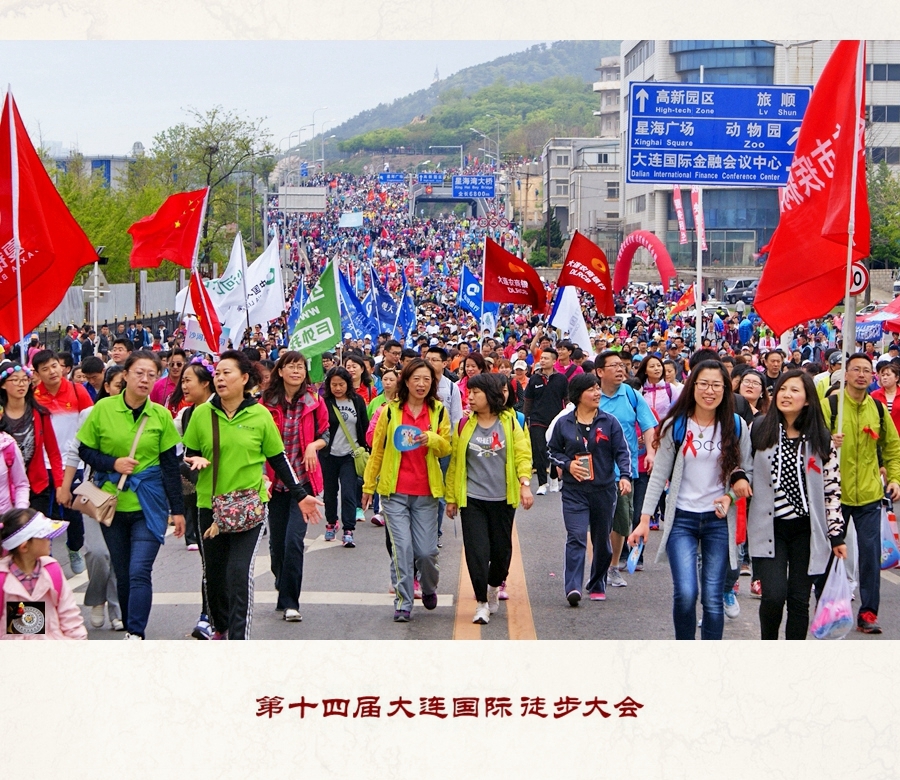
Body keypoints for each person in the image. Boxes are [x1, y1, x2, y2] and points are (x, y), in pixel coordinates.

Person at [182, 350, 323, 640]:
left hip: (249, 507)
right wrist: (193, 467)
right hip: (210, 509)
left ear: (245, 379)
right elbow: (187, 458)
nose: (220, 378)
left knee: (238, 572)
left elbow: (278, 459)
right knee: (215, 577)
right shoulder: (201, 414)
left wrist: (300, 495)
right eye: (217, 373)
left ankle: (239, 640)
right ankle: (219, 626)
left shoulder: (259, 415)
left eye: (227, 373)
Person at [629, 360, 752, 640]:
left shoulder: (736, 425)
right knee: (686, 593)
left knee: (711, 597)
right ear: (692, 386)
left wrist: (731, 495)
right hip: (681, 519)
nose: (710, 391)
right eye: (704, 384)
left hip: (718, 521)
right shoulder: (677, 424)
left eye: (717, 385)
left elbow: (748, 472)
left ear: (726, 388)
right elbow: (659, 474)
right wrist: (645, 519)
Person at [75, 350, 186, 640]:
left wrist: (178, 510)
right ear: (125, 374)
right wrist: (113, 463)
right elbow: (84, 449)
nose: (145, 379)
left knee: (139, 571)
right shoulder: (103, 409)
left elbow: (170, 466)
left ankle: (135, 633)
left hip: (150, 504)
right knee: (123, 574)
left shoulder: (160, 415)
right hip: (111, 504)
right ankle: (128, 621)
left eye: (152, 374)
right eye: (139, 373)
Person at [748, 370, 845, 639]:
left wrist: (836, 534)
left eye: (794, 390)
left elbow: (832, 489)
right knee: (773, 596)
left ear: (807, 400)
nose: (787, 395)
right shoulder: (759, 429)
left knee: (799, 600)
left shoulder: (821, 438)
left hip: (808, 530)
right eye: (782, 389)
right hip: (769, 528)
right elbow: (743, 468)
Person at [362, 358, 451, 622]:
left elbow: (447, 447)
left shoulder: (438, 411)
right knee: (402, 549)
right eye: (416, 379)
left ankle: (429, 587)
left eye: (427, 380)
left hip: (426, 493)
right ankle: (403, 602)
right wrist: (369, 486)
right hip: (394, 493)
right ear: (406, 381)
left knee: (426, 551)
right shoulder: (390, 411)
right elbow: (377, 450)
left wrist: (431, 438)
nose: (421, 384)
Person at [445, 373, 533, 624]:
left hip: (503, 499)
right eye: (469, 393)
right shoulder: (464, 425)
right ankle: (481, 602)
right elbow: (455, 464)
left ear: (491, 395)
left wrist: (524, 484)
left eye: (476, 393)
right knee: (477, 551)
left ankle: (494, 585)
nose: (470, 397)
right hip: (472, 499)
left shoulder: (510, 422)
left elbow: (522, 455)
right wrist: (451, 498)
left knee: (501, 553)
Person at [822, 353, 900, 634]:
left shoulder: (878, 410)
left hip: (868, 494)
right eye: (856, 369)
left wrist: (895, 479)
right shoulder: (830, 406)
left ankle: (868, 613)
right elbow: (808, 442)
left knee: (870, 555)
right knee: (832, 553)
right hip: (834, 495)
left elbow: (893, 447)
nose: (862, 375)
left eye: (867, 371)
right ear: (846, 373)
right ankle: (831, 607)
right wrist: (828, 440)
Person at [548, 373, 632, 605]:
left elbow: (622, 452)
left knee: (601, 540)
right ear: (577, 395)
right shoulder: (563, 423)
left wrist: (624, 476)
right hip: (574, 491)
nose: (597, 393)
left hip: (604, 491)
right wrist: (567, 464)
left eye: (597, 389)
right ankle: (573, 587)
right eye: (591, 389)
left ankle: (597, 582)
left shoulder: (609, 422)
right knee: (576, 537)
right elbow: (552, 450)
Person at [261, 351, 328, 623]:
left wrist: (314, 445)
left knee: (293, 542)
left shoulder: (314, 401)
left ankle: (290, 602)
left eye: (300, 367)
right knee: (276, 545)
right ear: (280, 371)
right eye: (290, 366)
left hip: (304, 484)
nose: (296, 371)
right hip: (274, 483)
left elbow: (326, 433)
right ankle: (282, 581)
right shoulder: (264, 403)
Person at [594, 350, 658, 583]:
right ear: (600, 372)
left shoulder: (631, 395)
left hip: (623, 470)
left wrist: (651, 452)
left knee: (621, 519)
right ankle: (600, 563)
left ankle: (612, 566)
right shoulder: (592, 395)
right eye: (614, 366)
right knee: (599, 521)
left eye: (622, 366)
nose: (621, 369)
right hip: (594, 470)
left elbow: (649, 425)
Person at [32, 349, 94, 574]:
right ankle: (44, 559)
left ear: (62, 366)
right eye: (45, 369)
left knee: (72, 512)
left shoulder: (77, 392)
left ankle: (75, 548)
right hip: (42, 464)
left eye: (54, 366)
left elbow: (91, 423)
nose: (51, 372)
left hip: (72, 463)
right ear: (37, 373)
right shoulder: (33, 396)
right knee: (41, 516)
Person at [173, 358, 215, 639]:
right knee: (208, 560)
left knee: (224, 565)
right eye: (182, 380)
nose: (183, 385)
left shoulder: (230, 411)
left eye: (189, 379)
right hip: (197, 497)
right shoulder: (185, 415)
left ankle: (216, 617)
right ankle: (208, 616)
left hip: (231, 499)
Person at [0, 508, 87, 639]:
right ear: (24, 547)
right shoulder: (3, 580)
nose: (49, 539)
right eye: (44, 536)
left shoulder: (52, 570)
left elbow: (70, 617)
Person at [320, 366, 369, 546]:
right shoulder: (324, 402)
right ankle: (332, 523)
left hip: (350, 454)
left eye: (341, 384)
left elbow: (364, 425)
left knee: (349, 493)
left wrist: (366, 448)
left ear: (348, 384)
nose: (338, 388)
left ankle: (349, 529)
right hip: (328, 455)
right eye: (334, 384)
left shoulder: (357, 401)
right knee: (330, 493)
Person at [523, 347, 568, 495]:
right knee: (539, 450)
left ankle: (554, 478)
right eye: (541, 358)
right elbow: (528, 401)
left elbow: (566, 400)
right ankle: (542, 483)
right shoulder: (534, 379)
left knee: (554, 450)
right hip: (537, 419)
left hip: (556, 420)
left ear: (554, 361)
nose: (542, 360)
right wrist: (525, 419)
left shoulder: (561, 379)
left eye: (546, 358)